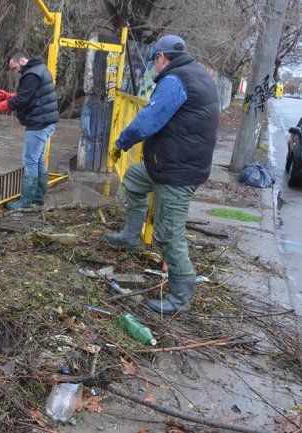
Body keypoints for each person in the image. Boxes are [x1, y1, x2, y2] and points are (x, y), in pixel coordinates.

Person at [107, 35, 220, 314]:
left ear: (160, 58)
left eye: (153, 62)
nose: (153, 67)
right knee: (133, 179)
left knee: (168, 233)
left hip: (177, 171)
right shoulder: (195, 74)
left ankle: (181, 297)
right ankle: (130, 236)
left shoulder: (174, 81)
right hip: (169, 162)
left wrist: (122, 142)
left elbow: (150, 119)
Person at [0, 51, 59, 210]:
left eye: (15, 68)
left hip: (39, 123)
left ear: (21, 60)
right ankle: (38, 199)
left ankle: (25, 202)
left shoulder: (31, 74)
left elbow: (22, 100)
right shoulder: (40, 68)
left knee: (30, 161)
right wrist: (7, 96)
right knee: (38, 160)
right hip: (46, 121)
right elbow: (30, 94)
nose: (16, 71)